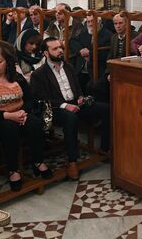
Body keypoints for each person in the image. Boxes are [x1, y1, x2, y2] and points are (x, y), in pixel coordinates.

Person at [0, 41, 52, 191]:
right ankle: (13, 170)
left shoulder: (17, 78)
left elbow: (29, 99)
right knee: (9, 129)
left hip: (20, 113)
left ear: (7, 62)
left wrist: (23, 112)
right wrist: (8, 115)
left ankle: (38, 161)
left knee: (34, 123)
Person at [30, 37, 110, 180]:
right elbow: (42, 99)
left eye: (60, 47)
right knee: (70, 117)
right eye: (55, 49)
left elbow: (77, 87)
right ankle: (72, 161)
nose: (60, 50)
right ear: (46, 53)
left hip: (75, 103)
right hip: (55, 108)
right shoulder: (39, 74)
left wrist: (80, 96)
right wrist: (66, 105)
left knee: (106, 108)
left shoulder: (69, 66)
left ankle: (105, 148)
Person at [69, 13, 112, 91]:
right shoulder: (84, 32)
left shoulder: (107, 35)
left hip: (96, 71)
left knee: (91, 88)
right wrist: (81, 50)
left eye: (93, 21)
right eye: (88, 22)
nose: (90, 24)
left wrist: (90, 54)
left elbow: (106, 55)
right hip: (81, 69)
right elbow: (72, 41)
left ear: (99, 22)